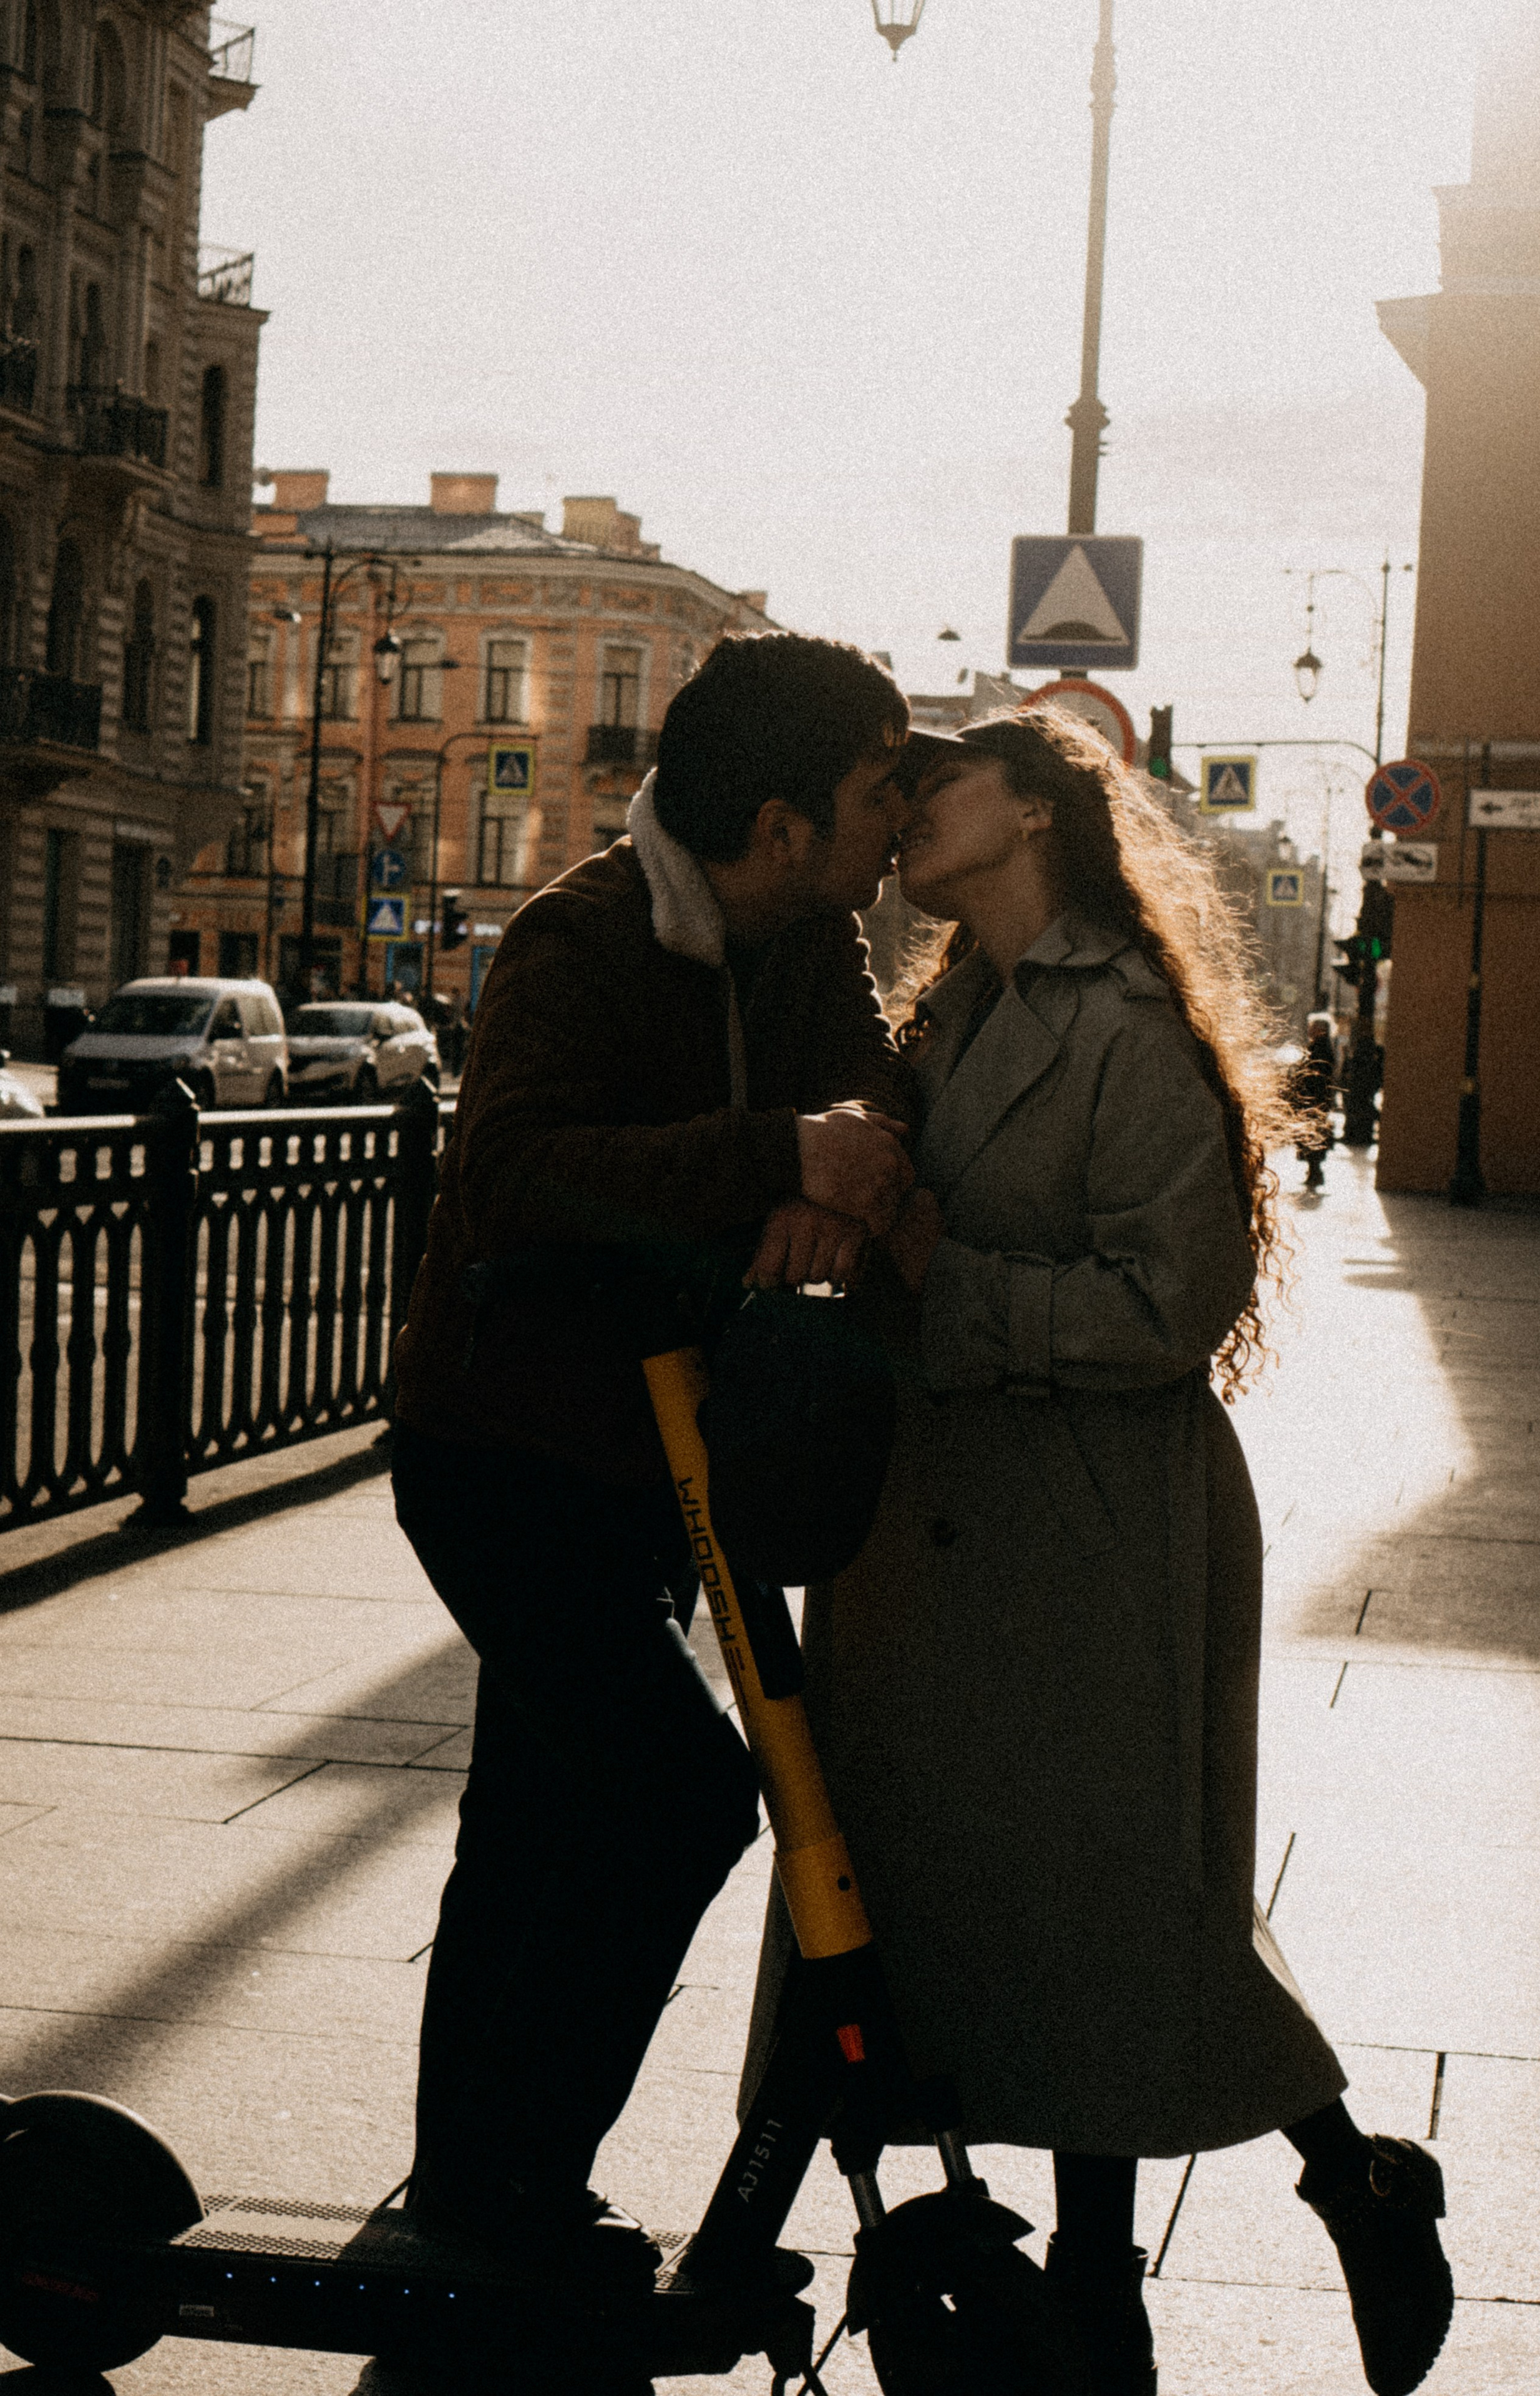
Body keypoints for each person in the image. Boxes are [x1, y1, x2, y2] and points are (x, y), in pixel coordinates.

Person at [741, 708, 1453, 2396]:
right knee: (990, 1906)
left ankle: (1254, 2222)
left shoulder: (1130, 1030)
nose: (911, 812)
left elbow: (1170, 1309)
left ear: (1043, 812)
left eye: (945, 787)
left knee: (1121, 1901)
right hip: (935, 1531)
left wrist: (934, 1255)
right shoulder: (951, 1008)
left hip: (1097, 1521)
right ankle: (1151, 2255)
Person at [389, 633, 915, 2284]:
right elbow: (516, 1177)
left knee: (533, 1821)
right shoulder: (587, 937)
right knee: (678, 1798)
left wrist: (824, 1172)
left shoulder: (807, 937)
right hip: (504, 1449)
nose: (896, 823)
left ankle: (485, 2192)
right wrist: (772, 1156)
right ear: (776, 825)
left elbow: (869, 1101)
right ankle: (513, 2181)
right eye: (877, 791)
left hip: (644, 1462)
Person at [1297, 1010, 1339, 1190]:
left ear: (1321, 1029)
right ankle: (1314, 1171)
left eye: (1312, 1027)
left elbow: (1313, 1074)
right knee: (1314, 1134)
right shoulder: (1324, 1046)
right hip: (1319, 1098)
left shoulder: (1318, 1048)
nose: (1309, 1030)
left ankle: (1315, 1171)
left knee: (1311, 1135)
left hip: (1313, 1098)